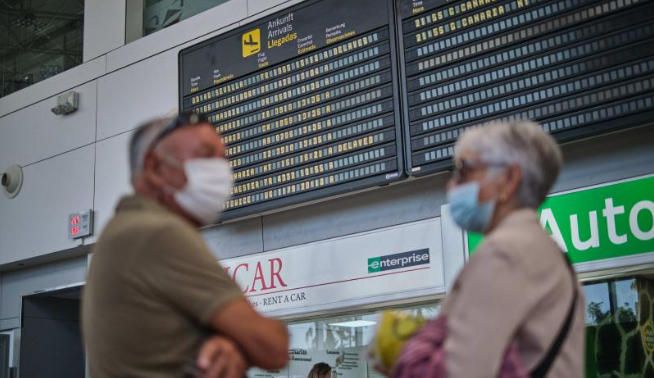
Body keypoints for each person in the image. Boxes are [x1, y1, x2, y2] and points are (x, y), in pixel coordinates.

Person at [82, 112, 289, 378]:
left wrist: (231, 344)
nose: (221, 171)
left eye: (222, 159)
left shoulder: (122, 232)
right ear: (155, 169)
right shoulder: (158, 234)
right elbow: (273, 348)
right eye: (206, 156)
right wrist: (243, 342)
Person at [439, 120, 585, 377]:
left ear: (508, 179)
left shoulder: (504, 254)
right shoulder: (550, 255)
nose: (452, 186)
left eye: (464, 170)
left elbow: (457, 370)